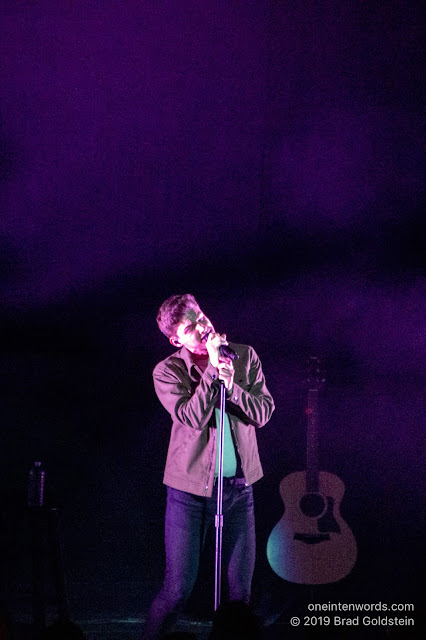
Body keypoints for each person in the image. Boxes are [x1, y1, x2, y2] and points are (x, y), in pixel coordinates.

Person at [142, 294, 274, 640]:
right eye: (190, 326)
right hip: (190, 495)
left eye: (201, 317)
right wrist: (213, 370)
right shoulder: (167, 370)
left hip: (238, 490)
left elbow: (263, 413)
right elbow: (191, 417)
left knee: (241, 597)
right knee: (177, 592)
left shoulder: (244, 357)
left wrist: (230, 385)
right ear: (176, 339)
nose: (202, 327)